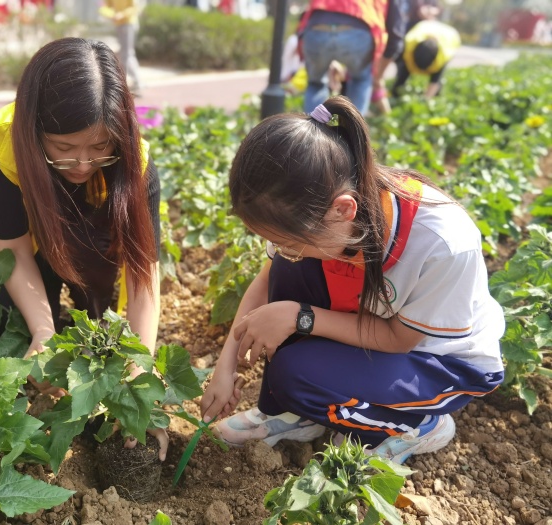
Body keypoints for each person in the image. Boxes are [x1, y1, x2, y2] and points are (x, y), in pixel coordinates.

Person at [200, 97, 505, 464]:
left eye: (289, 241)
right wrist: (225, 367)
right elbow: (266, 282)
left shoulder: (442, 244)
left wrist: (300, 316)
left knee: (295, 375)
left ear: (344, 209)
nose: (283, 249)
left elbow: (399, 339)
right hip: (374, 328)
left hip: (436, 361)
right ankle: (296, 413)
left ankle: (416, 425)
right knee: (288, 267)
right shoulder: (322, 206)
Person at [0, 38, 166, 459]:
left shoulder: (135, 160)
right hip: (29, 241)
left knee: (100, 319)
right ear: (33, 130)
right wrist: (44, 331)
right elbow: (12, 247)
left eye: (100, 148)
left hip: (95, 240)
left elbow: (142, 271)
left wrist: (140, 371)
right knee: (4, 327)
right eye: (63, 148)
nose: (82, 164)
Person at [298, 0, 409, 115]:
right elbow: (395, 38)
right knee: (360, 80)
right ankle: (352, 125)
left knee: (315, 84)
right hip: (358, 29)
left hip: (316, 29)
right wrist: (377, 77)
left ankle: (313, 125)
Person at [392, 19, 461, 98]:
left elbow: (434, 82)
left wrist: (425, 100)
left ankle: (436, 94)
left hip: (448, 37)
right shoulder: (409, 45)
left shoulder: (444, 54)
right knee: (403, 74)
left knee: (437, 81)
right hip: (424, 27)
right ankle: (395, 93)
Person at [99, 0, 144, 96]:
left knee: (127, 54)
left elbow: (134, 7)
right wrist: (112, 15)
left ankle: (136, 83)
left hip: (129, 23)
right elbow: (105, 7)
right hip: (119, 24)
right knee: (125, 54)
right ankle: (126, 84)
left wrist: (121, 15)